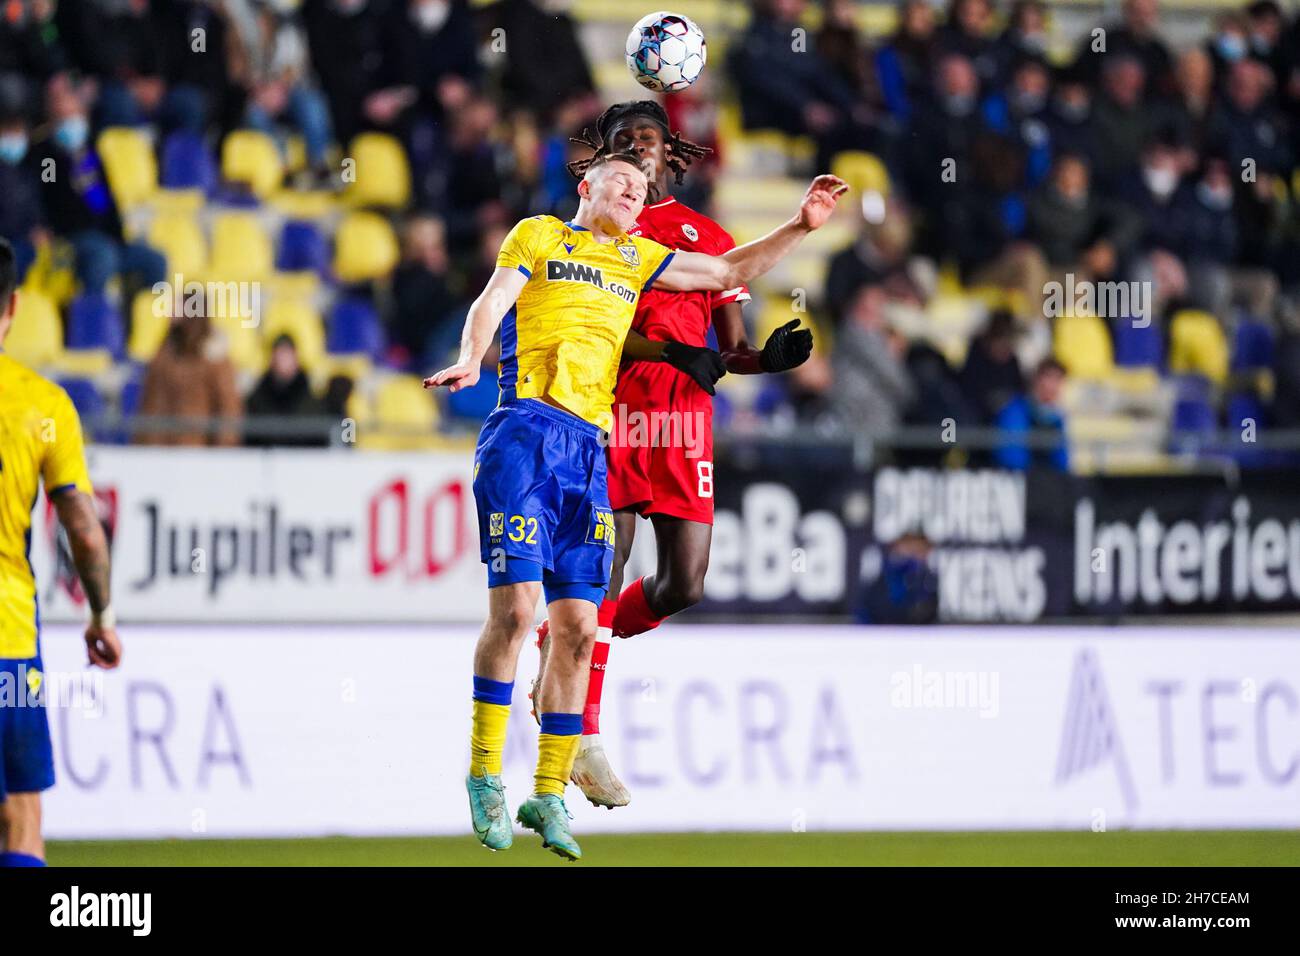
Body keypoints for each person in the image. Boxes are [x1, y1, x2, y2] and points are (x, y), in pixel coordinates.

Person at [425, 151, 846, 859]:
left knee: (582, 631)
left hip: (591, 450)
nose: (631, 190)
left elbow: (725, 273)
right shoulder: (540, 236)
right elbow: (494, 298)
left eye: (640, 187)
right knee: (519, 610)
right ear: (585, 188)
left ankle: (549, 793)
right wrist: (474, 354)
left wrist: (799, 226)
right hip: (526, 433)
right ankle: (483, 776)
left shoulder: (638, 258)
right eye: (619, 180)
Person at [530, 101, 820, 808]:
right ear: (603, 160)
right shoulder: (603, 232)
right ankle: (582, 729)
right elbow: (600, 327)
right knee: (605, 566)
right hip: (617, 413)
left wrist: (765, 361)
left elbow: (727, 350)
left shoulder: (708, 238)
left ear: (671, 153)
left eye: (648, 140)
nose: (637, 150)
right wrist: (672, 351)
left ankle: (557, 637)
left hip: (685, 427)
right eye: (623, 141)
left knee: (684, 585)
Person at [0, 238, 121, 868]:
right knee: (20, 813)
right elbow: (82, 523)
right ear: (13, 307)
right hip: (9, 641)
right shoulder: (42, 405)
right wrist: (100, 615)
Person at [136, 309, 243, 447]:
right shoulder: (164, 353)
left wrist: (222, 452)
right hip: (160, 450)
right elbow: (150, 403)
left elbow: (228, 409)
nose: (173, 315)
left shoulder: (215, 357)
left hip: (197, 451)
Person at [244, 334, 326, 447]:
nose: (282, 359)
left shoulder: (312, 399)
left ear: (296, 357)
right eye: (279, 353)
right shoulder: (257, 398)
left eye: (286, 354)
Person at [995, 356, 1069, 471]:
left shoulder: (1057, 418)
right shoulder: (1015, 410)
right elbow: (1012, 457)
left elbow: (1061, 460)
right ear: (1037, 379)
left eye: (1058, 379)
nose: (1053, 385)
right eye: (1049, 377)